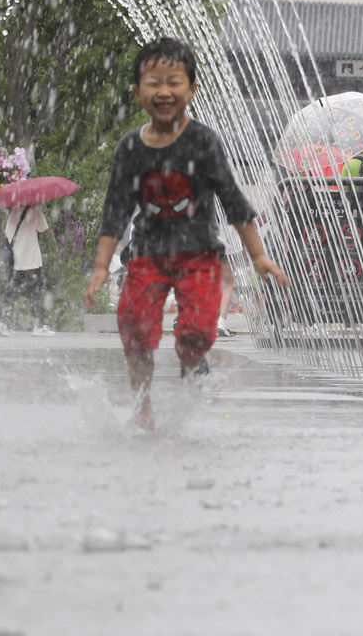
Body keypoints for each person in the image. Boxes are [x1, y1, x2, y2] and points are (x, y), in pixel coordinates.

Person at [84, 37, 289, 429]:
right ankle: (143, 405)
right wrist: (99, 266)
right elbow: (115, 210)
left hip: (200, 255)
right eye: (153, 82)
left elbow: (234, 200)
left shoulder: (203, 142)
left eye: (173, 81)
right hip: (146, 254)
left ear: (191, 89)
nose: (163, 91)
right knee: (136, 326)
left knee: (195, 331)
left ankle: (191, 366)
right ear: (137, 91)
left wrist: (259, 256)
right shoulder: (130, 148)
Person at [0, 202, 54, 337]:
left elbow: (8, 234)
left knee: (12, 293)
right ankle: (38, 326)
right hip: (32, 260)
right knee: (36, 293)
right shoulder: (36, 212)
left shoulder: (13, 213)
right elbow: (45, 230)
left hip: (17, 261)